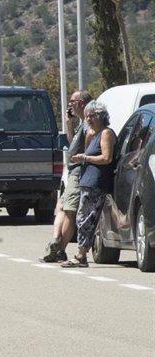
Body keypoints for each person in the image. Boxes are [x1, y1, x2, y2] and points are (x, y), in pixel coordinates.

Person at [61, 101, 116, 268]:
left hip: (96, 183)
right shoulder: (93, 133)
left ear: (101, 116)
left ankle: (81, 255)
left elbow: (106, 158)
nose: (89, 119)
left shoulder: (106, 133)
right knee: (82, 218)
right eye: (87, 117)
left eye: (92, 116)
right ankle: (81, 254)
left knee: (87, 220)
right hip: (88, 182)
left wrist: (84, 158)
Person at [40, 90, 92, 262]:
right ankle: (56, 241)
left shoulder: (90, 124)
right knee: (61, 207)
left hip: (79, 172)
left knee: (69, 210)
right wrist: (69, 123)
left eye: (72, 101)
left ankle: (59, 248)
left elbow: (84, 150)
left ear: (82, 103)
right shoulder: (81, 124)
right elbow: (72, 145)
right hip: (72, 172)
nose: (70, 104)